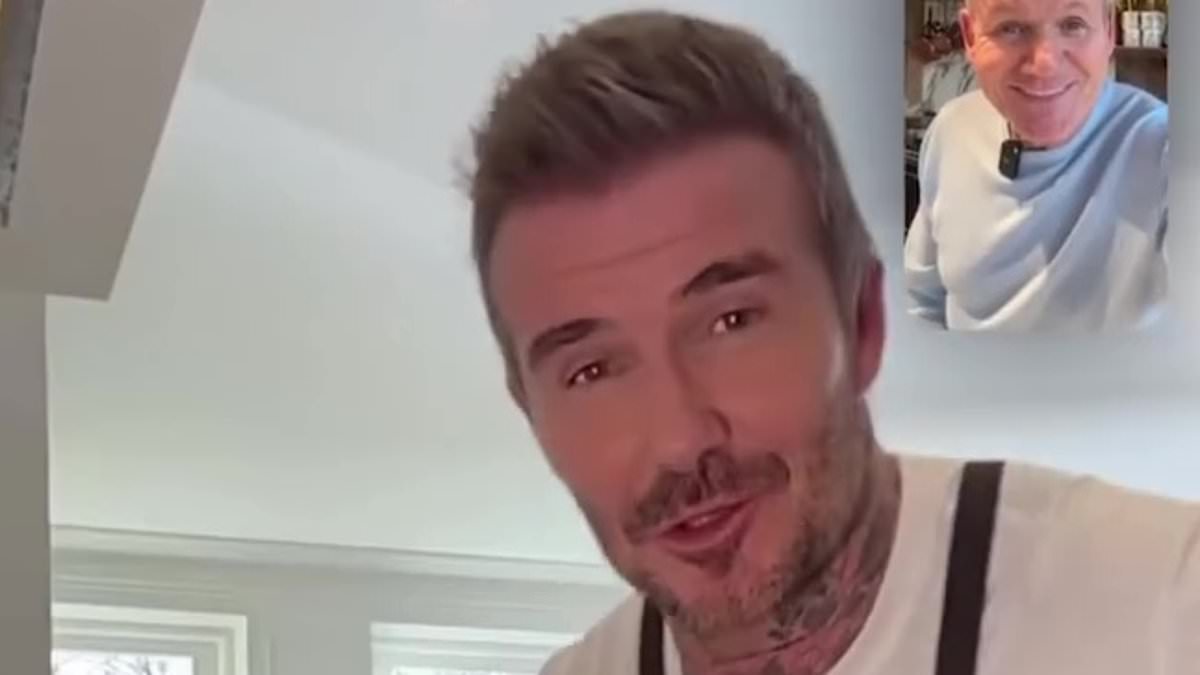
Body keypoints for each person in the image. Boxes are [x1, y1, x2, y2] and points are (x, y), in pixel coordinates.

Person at [463, 10, 1198, 675]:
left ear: (863, 322)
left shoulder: (1162, 606)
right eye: (591, 370)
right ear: (530, 411)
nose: (679, 442)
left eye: (732, 322)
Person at [904, 0, 1169, 333]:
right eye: (1011, 28)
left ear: (1109, 33)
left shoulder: (1163, 147)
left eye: (1073, 25)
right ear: (971, 37)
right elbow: (919, 302)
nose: (1044, 64)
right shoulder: (951, 129)